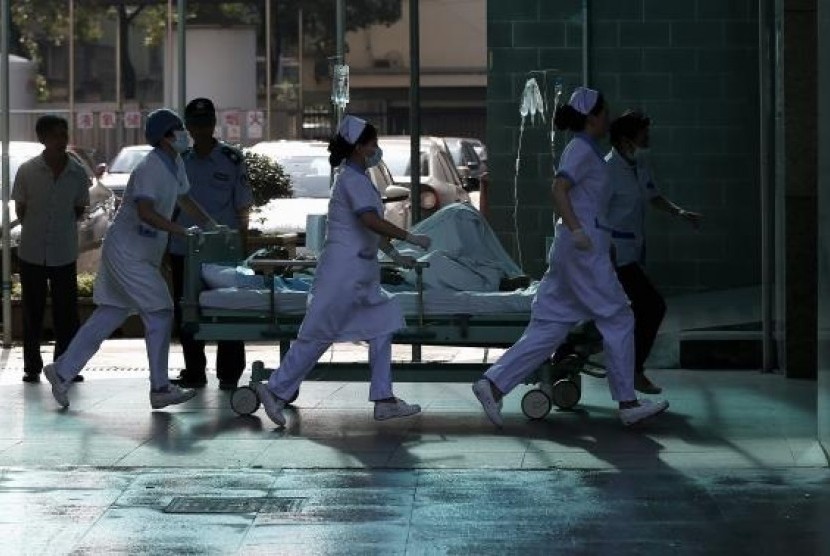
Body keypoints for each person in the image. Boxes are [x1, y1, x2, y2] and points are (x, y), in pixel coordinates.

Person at [471, 87, 669, 427]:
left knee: (550, 326)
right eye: (604, 112)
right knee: (619, 317)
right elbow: (559, 189)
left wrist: (592, 235)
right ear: (592, 116)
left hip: (578, 247)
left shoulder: (588, 150)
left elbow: (587, 202)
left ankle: (491, 384)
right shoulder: (580, 149)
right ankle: (627, 402)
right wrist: (580, 231)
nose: (609, 117)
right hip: (581, 249)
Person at [255, 115, 431, 427]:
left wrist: (394, 253)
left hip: (359, 275)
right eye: (373, 143)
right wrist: (410, 237)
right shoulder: (351, 179)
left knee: (383, 323)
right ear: (360, 147)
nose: (377, 149)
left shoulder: (359, 178)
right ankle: (274, 390)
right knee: (316, 336)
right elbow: (369, 221)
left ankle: (384, 399)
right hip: (342, 275)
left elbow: (369, 231)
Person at [43, 108, 220, 410]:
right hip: (128, 252)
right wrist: (181, 231)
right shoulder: (151, 167)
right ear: (164, 137)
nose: (183, 134)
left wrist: (210, 223)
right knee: (161, 311)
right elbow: (146, 212)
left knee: (110, 314)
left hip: (136, 251)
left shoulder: (174, 162)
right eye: (177, 130)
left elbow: (183, 197)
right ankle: (160, 388)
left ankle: (61, 371)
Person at [603, 110, 702, 394]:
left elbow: (652, 195)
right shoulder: (607, 170)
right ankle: (631, 372)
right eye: (643, 131)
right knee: (652, 306)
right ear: (626, 138)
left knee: (635, 311)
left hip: (630, 253)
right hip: (614, 256)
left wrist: (679, 212)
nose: (648, 136)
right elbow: (595, 213)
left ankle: (627, 369)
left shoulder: (639, 163)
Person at [168, 98, 253, 390]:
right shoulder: (180, 161)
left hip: (222, 251)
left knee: (228, 308)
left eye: (206, 123)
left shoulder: (231, 159)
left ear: (213, 124)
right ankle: (194, 371)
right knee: (188, 310)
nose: (201, 129)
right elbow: (171, 207)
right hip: (186, 248)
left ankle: (229, 373)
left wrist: (242, 248)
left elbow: (243, 208)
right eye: (196, 124)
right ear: (188, 127)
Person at [13, 115, 90, 384]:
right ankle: (32, 366)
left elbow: (80, 208)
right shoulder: (27, 170)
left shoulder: (77, 173)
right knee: (32, 311)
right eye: (55, 135)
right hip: (32, 251)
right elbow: (21, 209)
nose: (61, 140)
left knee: (66, 312)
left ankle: (66, 366)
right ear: (42, 139)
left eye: (64, 134)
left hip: (63, 252)